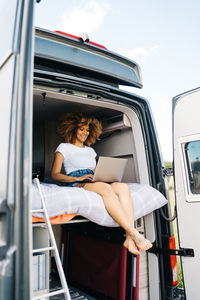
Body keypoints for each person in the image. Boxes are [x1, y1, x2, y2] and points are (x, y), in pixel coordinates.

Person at [51, 112, 152, 255]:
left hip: (94, 178)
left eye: (87, 130)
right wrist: (77, 179)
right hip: (76, 180)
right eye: (82, 129)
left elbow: (95, 169)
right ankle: (133, 232)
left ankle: (129, 238)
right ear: (72, 129)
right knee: (105, 189)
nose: (85, 133)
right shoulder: (63, 147)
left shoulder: (91, 150)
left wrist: (104, 175)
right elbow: (55, 175)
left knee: (123, 187)